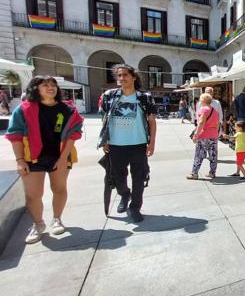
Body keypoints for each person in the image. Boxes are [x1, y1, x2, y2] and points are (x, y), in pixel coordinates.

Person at [6, 76, 84, 244]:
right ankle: (38, 224)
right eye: (45, 85)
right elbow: (15, 135)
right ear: (36, 89)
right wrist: (20, 160)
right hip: (32, 158)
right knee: (33, 195)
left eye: (53, 85)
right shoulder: (24, 109)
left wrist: (63, 159)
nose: (51, 87)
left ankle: (57, 219)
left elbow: (74, 134)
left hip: (60, 156)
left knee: (59, 188)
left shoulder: (68, 110)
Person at [98, 65, 157, 223]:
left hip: (138, 144)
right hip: (116, 145)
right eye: (119, 76)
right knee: (118, 177)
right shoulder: (109, 95)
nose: (122, 78)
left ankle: (135, 207)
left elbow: (152, 121)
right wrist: (105, 140)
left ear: (134, 77)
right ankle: (125, 194)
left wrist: (151, 143)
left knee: (139, 177)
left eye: (125, 75)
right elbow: (105, 118)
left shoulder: (144, 97)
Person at [187, 93, 219, 179]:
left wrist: (196, 135)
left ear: (203, 101)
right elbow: (217, 124)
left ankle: (194, 173)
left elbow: (201, 123)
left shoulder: (203, 110)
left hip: (204, 135)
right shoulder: (215, 111)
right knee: (213, 155)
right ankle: (212, 173)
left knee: (199, 154)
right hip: (213, 135)